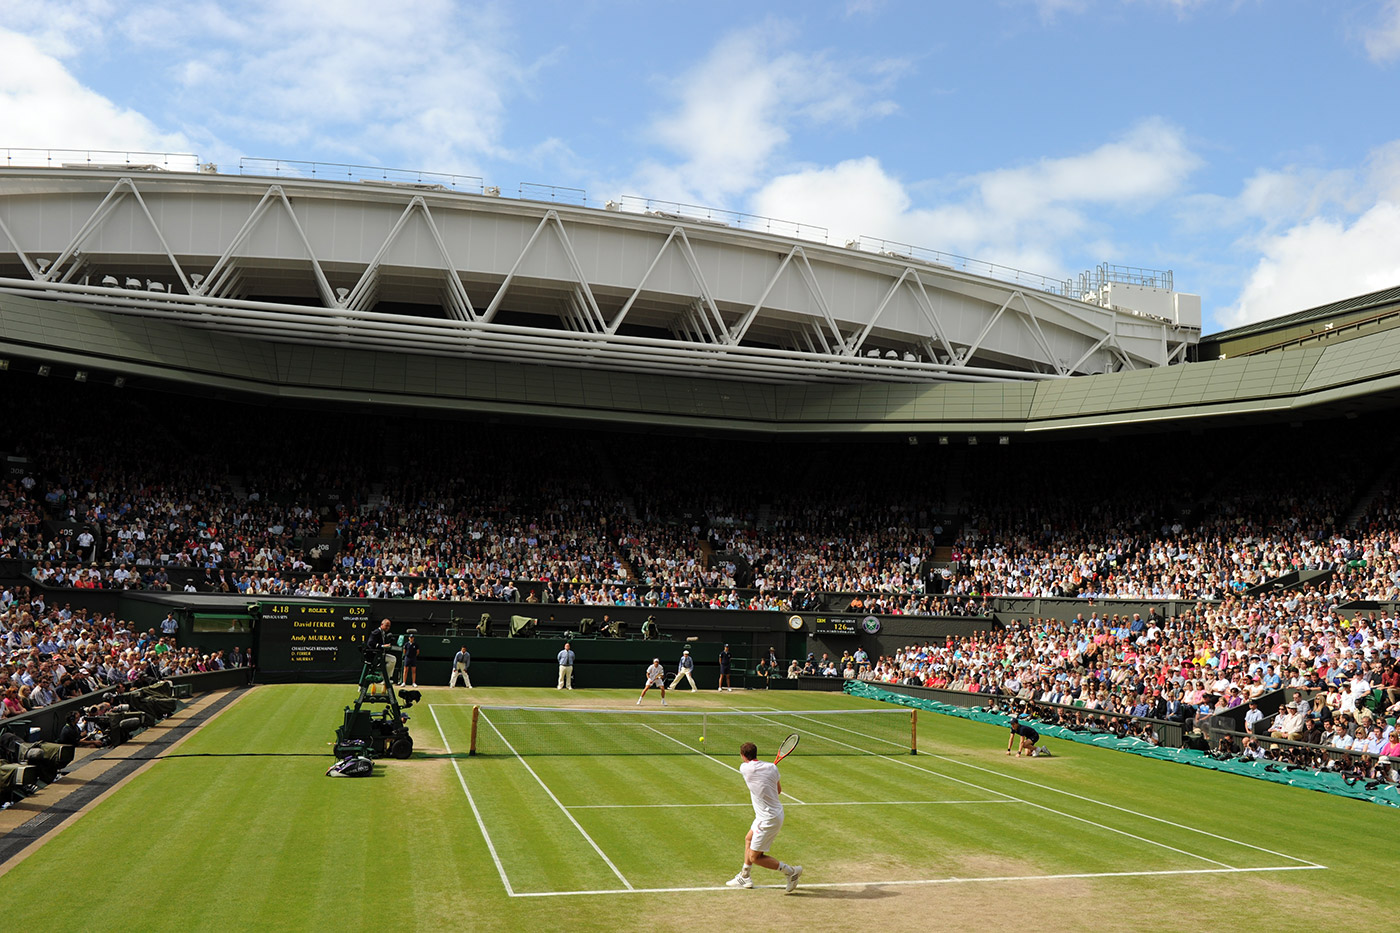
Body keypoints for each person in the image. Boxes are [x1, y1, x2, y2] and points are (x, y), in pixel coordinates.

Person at [726, 741, 802, 893]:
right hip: (767, 815)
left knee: (755, 857)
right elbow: (778, 790)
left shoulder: (744, 768)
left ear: (742, 756)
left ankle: (791, 872)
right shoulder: (772, 767)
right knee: (748, 838)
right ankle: (745, 876)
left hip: (768, 819)